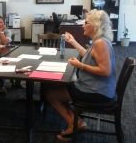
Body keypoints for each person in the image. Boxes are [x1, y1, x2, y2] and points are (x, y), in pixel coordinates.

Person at [45, 9, 116, 142]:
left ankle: (75, 124)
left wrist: (80, 65)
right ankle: (75, 120)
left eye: (86, 22)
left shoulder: (100, 44)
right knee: (58, 86)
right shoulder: (100, 41)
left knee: (51, 94)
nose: (83, 25)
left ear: (95, 26)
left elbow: (105, 71)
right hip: (99, 88)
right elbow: (88, 55)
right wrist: (73, 41)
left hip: (98, 92)